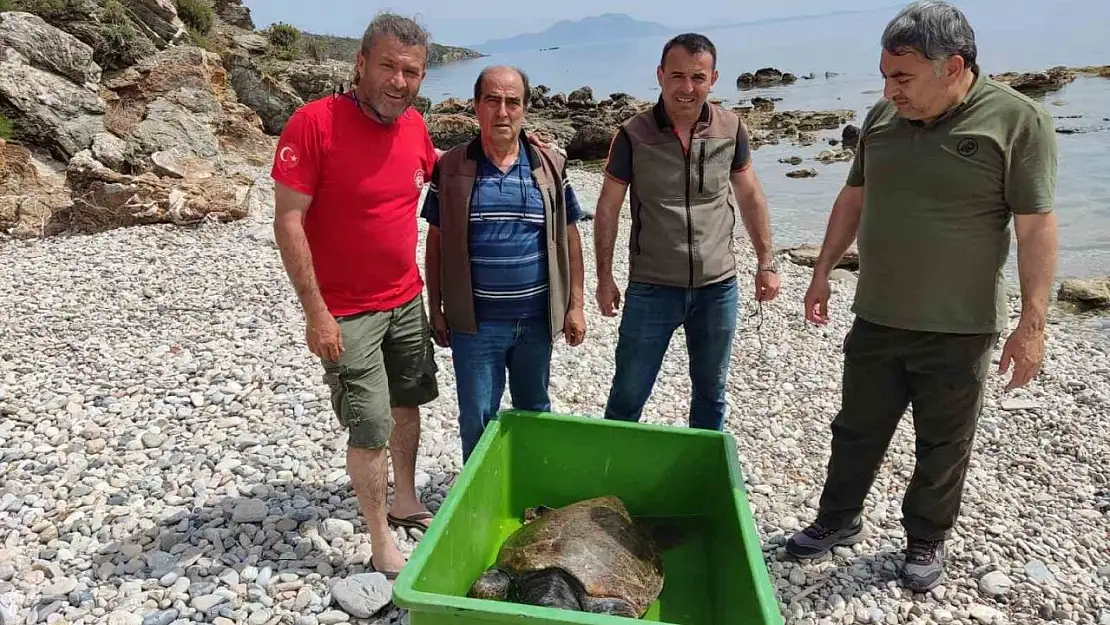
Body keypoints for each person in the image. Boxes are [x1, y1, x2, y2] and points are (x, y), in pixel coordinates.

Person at [784, 0, 1059, 593]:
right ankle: (837, 521)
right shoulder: (883, 119)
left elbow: (1036, 226)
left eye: (902, 77)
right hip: (878, 314)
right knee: (855, 428)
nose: (890, 89)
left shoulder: (1017, 121)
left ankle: (925, 540)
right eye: (886, 75)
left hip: (959, 327)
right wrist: (822, 269)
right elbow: (853, 198)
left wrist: (1033, 325)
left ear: (953, 66)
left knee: (943, 443)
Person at [270, 12, 442, 579]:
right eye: (388, 66)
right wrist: (315, 314)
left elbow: (441, 177)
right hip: (348, 311)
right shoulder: (314, 124)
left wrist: (518, 142)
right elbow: (289, 221)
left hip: (406, 299)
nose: (398, 80)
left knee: (407, 403)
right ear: (361, 63)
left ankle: (406, 497)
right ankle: (378, 539)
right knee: (369, 426)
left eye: (410, 71)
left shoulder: (415, 126)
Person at [592, 33, 780, 431]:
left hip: (718, 287)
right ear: (660, 75)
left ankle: (700, 482)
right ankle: (611, 476)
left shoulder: (731, 128)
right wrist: (604, 277)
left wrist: (767, 262)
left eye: (698, 77)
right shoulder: (634, 134)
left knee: (711, 396)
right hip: (652, 287)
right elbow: (608, 207)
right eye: (677, 76)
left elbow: (750, 196)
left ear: (713, 79)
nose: (687, 88)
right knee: (628, 394)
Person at [422, 65, 587, 463]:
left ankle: (532, 489)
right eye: (492, 100)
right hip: (475, 325)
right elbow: (436, 240)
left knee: (535, 413)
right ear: (476, 106)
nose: (502, 111)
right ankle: (479, 504)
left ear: (524, 109)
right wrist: (436, 307)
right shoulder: (453, 167)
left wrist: (576, 304)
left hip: (535, 321)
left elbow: (570, 236)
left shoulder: (548, 166)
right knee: (477, 418)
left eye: (512, 102)